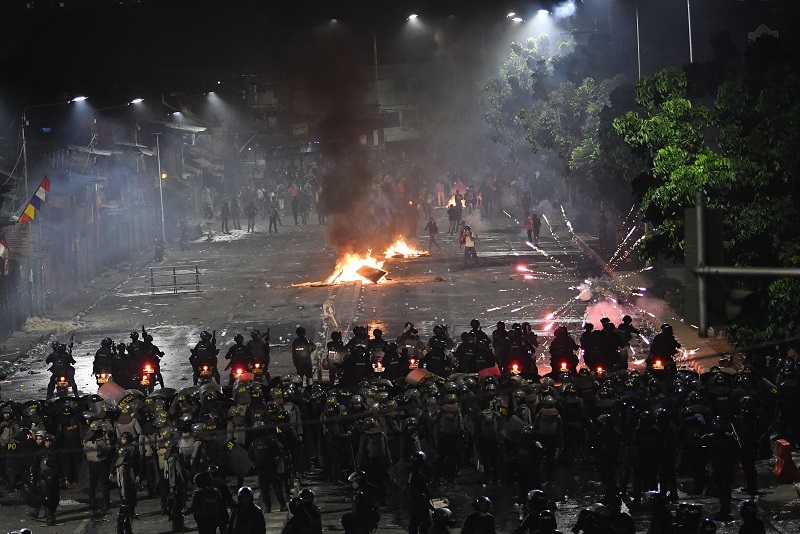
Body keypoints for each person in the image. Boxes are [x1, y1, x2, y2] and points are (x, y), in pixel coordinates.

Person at [33, 434, 60, 526]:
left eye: (50, 441)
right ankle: (49, 518)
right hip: (43, 479)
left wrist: (65, 477)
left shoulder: (56, 453)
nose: (48, 443)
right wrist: (33, 477)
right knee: (46, 498)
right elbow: (35, 466)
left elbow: (61, 465)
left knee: (55, 498)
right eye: (46, 441)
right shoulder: (40, 453)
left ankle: (52, 515)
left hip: (54, 478)